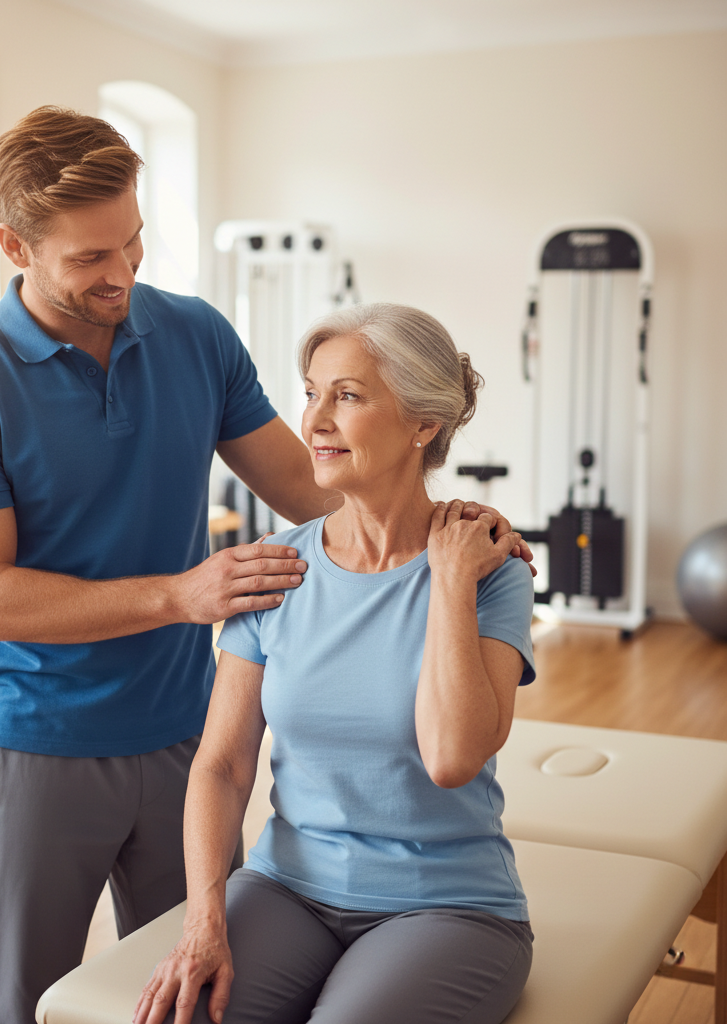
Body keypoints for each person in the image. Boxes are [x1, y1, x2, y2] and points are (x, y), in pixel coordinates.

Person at [0, 107, 533, 1024]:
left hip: (182, 733)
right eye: (90, 258)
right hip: (44, 743)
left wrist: (454, 531)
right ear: (15, 245)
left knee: (192, 1001)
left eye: (133, 242)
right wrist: (182, 593)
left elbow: (316, 483)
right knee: (29, 1005)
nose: (121, 272)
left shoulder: (194, 335)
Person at [133, 303, 536, 1024]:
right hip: (286, 887)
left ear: (423, 424)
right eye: (312, 392)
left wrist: (446, 580)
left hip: (448, 906)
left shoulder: (491, 573)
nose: (314, 420)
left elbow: (450, 758)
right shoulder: (274, 569)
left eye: (346, 395)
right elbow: (221, 765)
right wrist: (204, 920)